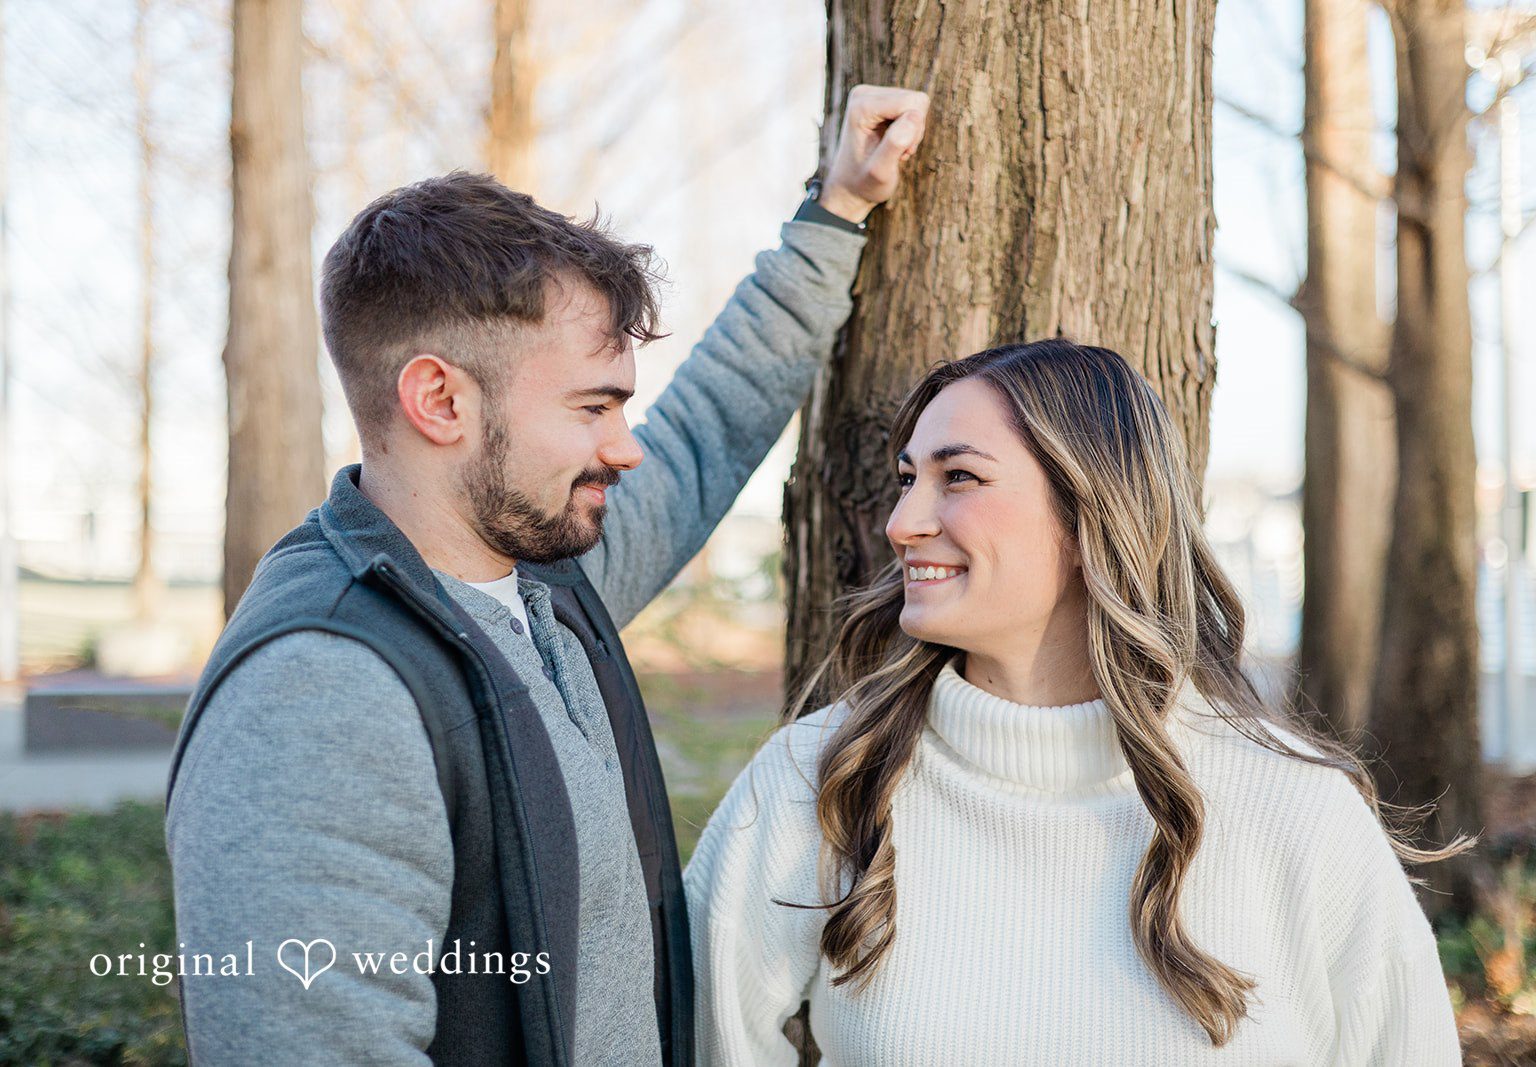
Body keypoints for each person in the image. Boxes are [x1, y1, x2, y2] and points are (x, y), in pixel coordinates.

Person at [164, 85, 929, 1066]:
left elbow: (708, 423)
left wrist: (836, 210)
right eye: (592, 406)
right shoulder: (320, 691)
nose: (627, 447)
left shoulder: (543, 584)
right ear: (439, 397)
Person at [686, 339, 1469, 1066]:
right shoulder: (819, 779)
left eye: (958, 476)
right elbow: (691, 1033)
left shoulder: (1296, 810)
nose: (901, 523)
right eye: (907, 477)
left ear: (1090, 508)